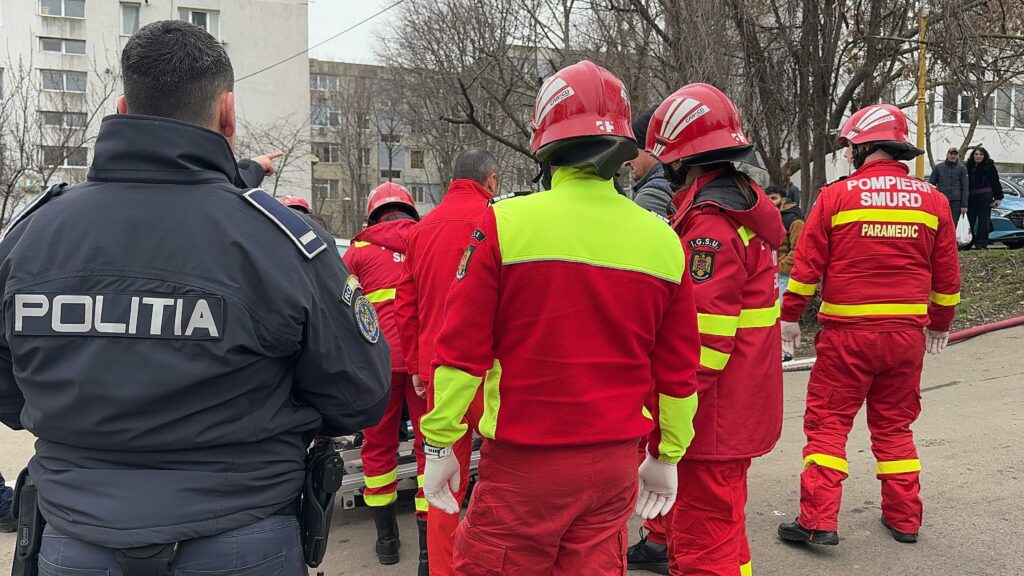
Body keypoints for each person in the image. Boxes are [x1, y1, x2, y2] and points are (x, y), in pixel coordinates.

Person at [0, 20, 391, 574]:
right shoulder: (281, 241)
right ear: (227, 112)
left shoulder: (29, 235)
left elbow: (5, 386)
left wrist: (76, 417)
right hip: (243, 540)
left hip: (73, 542)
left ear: (122, 106)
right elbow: (360, 394)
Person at [418, 60, 700, 575]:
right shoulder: (664, 240)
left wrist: (439, 441)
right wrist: (667, 454)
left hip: (525, 468)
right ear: (620, 148)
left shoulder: (506, 223)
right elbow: (680, 371)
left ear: (545, 142)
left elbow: (460, 353)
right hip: (615, 467)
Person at [777, 103, 960, 547]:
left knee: (828, 425)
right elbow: (948, 275)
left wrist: (788, 318)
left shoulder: (835, 198)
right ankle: (904, 520)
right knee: (895, 427)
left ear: (861, 148)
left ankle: (818, 521)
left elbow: (806, 267)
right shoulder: (932, 200)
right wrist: (939, 323)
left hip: (847, 338)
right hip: (905, 338)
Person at [639, 83, 785, 576]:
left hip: (712, 421)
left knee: (701, 549)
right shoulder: (734, 210)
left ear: (679, 158)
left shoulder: (710, 228)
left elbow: (700, 349)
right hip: (735, 410)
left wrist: (664, 430)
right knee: (724, 532)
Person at [394, 148, 499, 576]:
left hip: (441, 373)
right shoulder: (499, 222)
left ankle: (441, 568)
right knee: (501, 474)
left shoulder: (421, 231)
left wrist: (419, 367)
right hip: (494, 374)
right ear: (491, 180)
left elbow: (407, 306)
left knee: (441, 479)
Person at [342, 182, 426, 568]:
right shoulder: (427, 240)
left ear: (373, 214)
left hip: (377, 367)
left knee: (378, 450)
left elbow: (339, 310)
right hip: (422, 363)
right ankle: (429, 543)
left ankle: (387, 543)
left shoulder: (357, 252)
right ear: (409, 211)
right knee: (431, 448)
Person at [626, 106, 675, 219]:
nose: (626, 162)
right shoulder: (680, 182)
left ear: (650, 150)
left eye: (632, 150)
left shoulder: (650, 197)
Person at [766, 185, 805, 302]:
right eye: (767, 199)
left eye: (773, 198)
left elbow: (798, 249)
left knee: (781, 311)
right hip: (769, 272)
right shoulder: (767, 218)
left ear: (783, 200)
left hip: (784, 275)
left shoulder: (795, 220)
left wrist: (782, 267)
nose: (770, 202)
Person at [964, 146, 1003, 249]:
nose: (978, 156)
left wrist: (998, 197)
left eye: (981, 154)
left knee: (984, 220)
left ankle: (981, 244)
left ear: (984, 156)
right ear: (973, 156)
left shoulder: (989, 166)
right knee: (969, 219)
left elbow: (995, 181)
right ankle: (968, 242)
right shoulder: (968, 166)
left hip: (985, 196)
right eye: (976, 154)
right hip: (971, 197)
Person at [928, 148, 969, 224]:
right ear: (947, 155)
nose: (953, 156)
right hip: (941, 201)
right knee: (941, 222)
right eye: (951, 154)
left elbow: (965, 187)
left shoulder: (962, 168)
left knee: (954, 223)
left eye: (955, 154)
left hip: (956, 202)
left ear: (958, 156)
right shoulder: (938, 168)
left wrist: (964, 205)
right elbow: (931, 185)